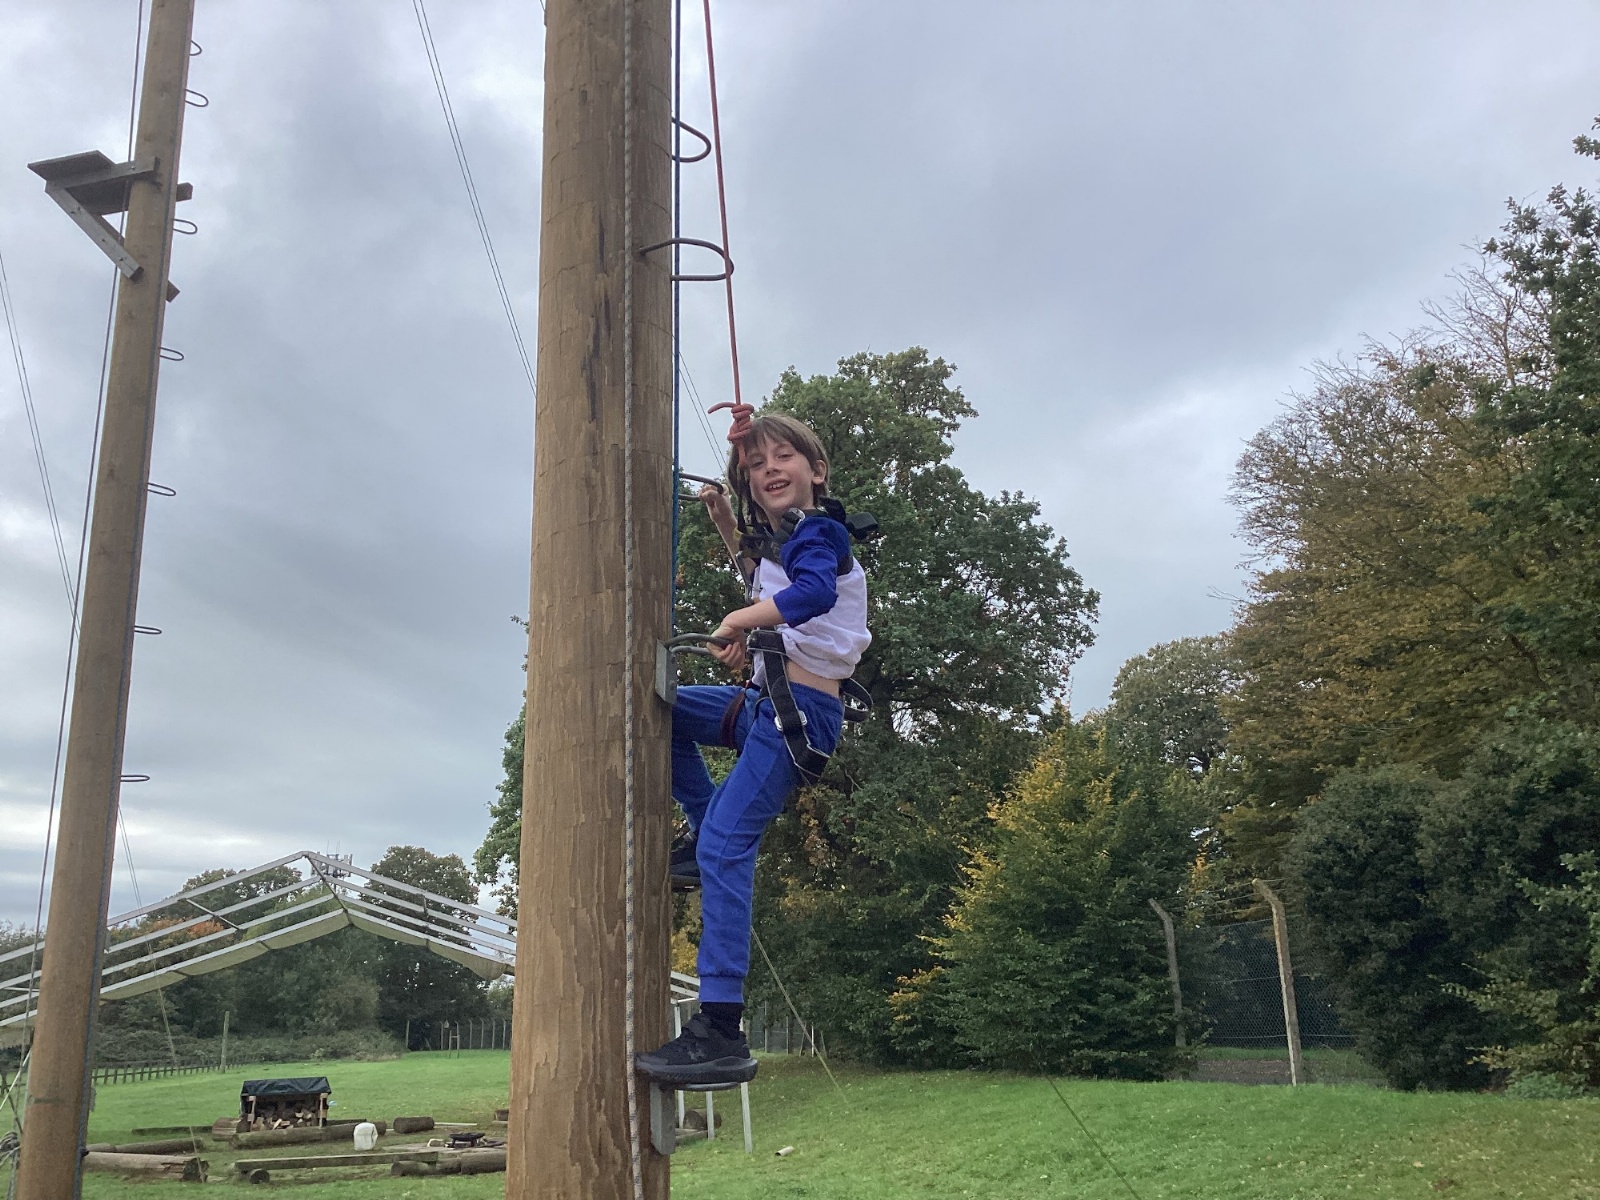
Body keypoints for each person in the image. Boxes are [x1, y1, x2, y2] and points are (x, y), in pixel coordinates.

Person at [634, 413, 870, 1087]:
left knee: (727, 849)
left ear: (816, 472)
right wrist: (721, 519)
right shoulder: (781, 545)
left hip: (801, 715)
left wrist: (739, 622)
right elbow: (759, 572)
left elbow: (812, 593)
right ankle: (700, 833)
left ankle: (721, 1031)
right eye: (757, 463)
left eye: (784, 456)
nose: (770, 468)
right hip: (768, 705)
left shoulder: (820, 533)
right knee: (662, 711)